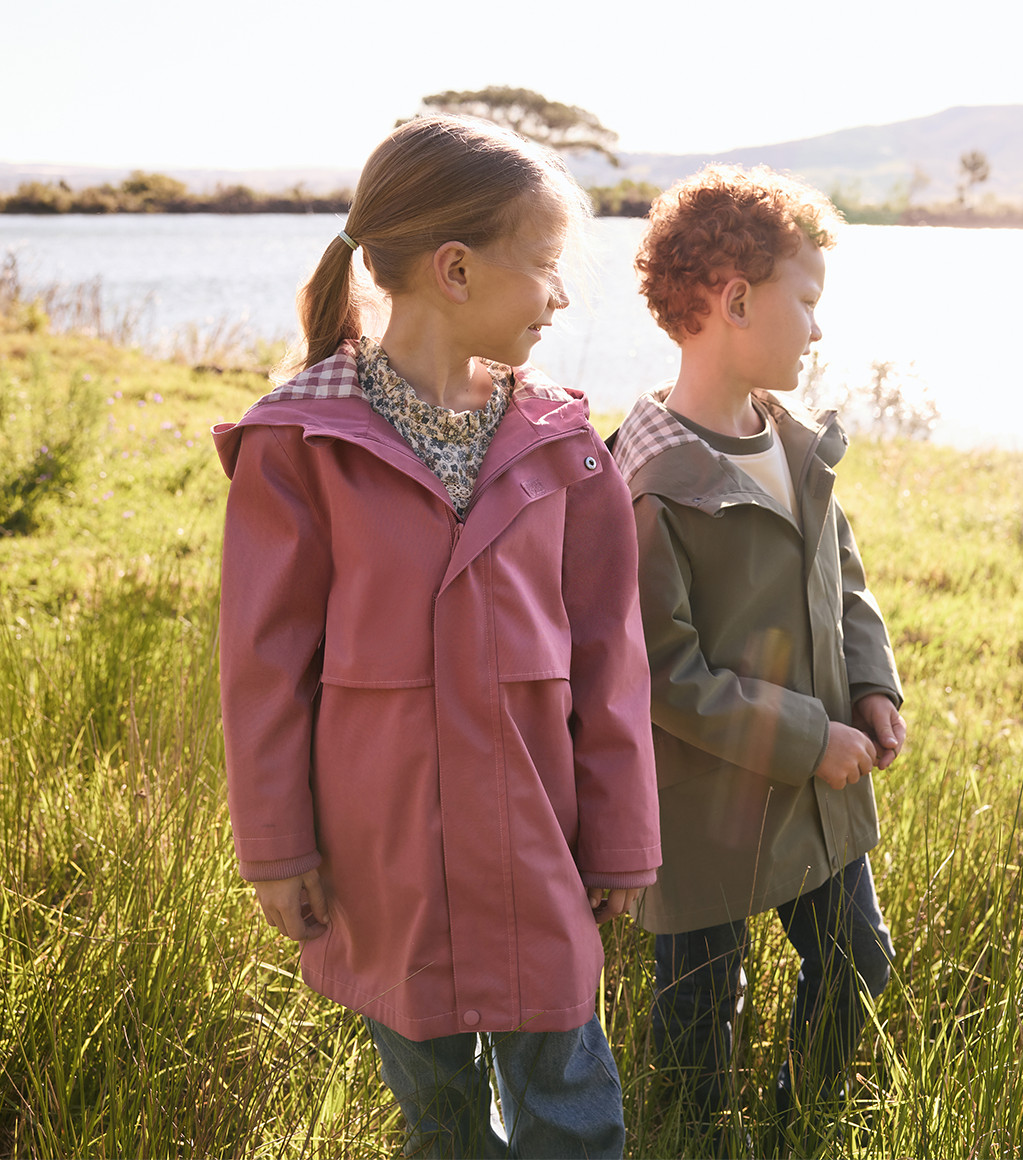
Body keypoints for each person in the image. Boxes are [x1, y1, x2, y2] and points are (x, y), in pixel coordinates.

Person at [212, 114, 661, 1160]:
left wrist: (622, 831)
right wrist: (276, 846)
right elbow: (264, 667)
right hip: (384, 862)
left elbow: (610, 655)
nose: (559, 295)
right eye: (545, 266)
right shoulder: (298, 446)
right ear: (455, 270)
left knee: (571, 1110)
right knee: (439, 1118)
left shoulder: (562, 446)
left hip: (536, 844)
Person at [608, 164, 906, 1142]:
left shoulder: (789, 440)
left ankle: (794, 1126)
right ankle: (692, 1137)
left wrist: (869, 681)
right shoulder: (649, 480)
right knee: (699, 1015)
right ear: (734, 300)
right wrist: (804, 738)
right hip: (706, 808)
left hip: (817, 790)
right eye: (805, 301)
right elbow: (665, 671)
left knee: (856, 962)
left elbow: (842, 567)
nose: (816, 329)